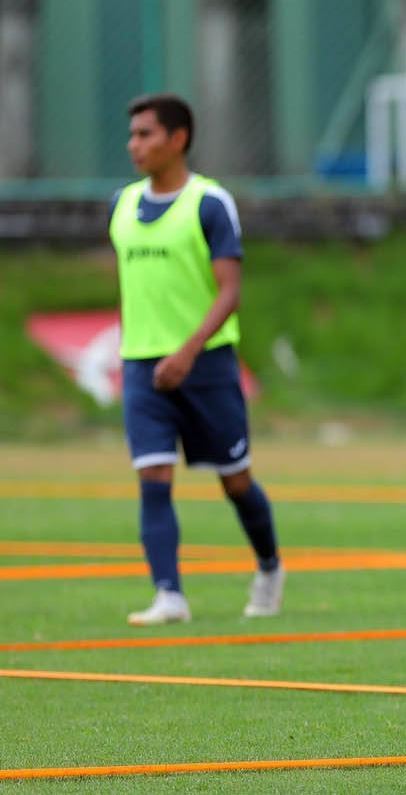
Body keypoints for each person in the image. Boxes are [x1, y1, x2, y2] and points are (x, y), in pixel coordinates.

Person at [109, 94, 284, 625]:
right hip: (142, 367)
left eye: (145, 134)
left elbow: (228, 291)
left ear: (178, 138)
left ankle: (270, 566)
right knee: (153, 477)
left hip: (204, 366)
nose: (133, 144)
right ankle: (169, 596)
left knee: (235, 480)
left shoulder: (209, 203)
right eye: (132, 134)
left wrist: (186, 352)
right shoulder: (120, 205)